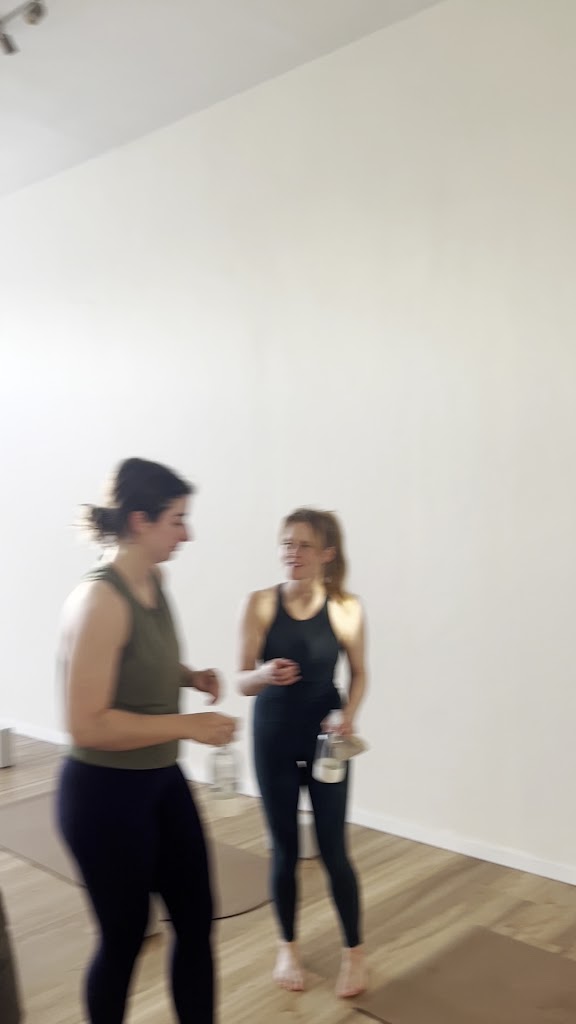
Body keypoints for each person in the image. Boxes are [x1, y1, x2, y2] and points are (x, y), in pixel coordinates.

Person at [56, 457, 236, 1024]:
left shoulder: (153, 580)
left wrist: (188, 676)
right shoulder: (100, 601)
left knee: (196, 918)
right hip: (103, 794)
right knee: (126, 936)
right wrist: (187, 726)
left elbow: (137, 659)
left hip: (158, 780)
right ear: (140, 520)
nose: (187, 534)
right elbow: (87, 723)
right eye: (177, 520)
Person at [237, 507, 367, 998]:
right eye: (287, 543)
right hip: (272, 735)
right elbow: (241, 680)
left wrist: (348, 713)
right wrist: (264, 674)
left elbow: (360, 673)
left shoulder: (346, 608)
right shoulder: (259, 604)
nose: (292, 552)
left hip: (326, 739)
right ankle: (287, 946)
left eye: (304, 544)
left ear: (327, 553)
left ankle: (354, 953)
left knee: (334, 849)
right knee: (284, 847)